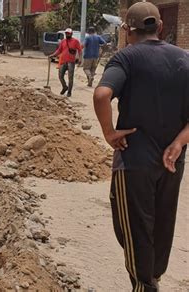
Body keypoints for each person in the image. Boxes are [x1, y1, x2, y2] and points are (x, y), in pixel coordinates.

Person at [93, 2, 189, 291]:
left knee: (134, 226)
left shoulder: (126, 59)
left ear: (126, 30)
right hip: (173, 161)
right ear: (159, 27)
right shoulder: (184, 59)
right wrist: (179, 142)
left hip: (133, 162)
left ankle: (144, 285)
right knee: (162, 222)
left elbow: (101, 95)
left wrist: (109, 133)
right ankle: (154, 277)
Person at [49, 28, 82, 97]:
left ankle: (69, 92)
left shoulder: (75, 41)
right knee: (60, 76)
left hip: (71, 62)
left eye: (69, 33)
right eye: (66, 33)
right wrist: (52, 55)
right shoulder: (63, 41)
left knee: (70, 77)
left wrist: (80, 59)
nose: (67, 34)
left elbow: (79, 50)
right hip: (63, 61)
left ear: (71, 34)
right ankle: (64, 87)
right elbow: (59, 50)